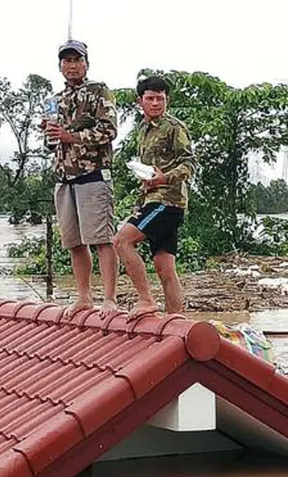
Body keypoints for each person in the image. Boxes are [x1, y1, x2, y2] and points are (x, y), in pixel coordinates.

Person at [44, 39, 119, 317]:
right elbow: (50, 143)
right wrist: (50, 133)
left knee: (102, 239)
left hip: (93, 174)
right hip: (64, 177)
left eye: (77, 60)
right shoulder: (55, 100)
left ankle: (109, 298)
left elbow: (109, 131)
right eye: (67, 61)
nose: (72, 65)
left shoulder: (99, 91)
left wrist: (71, 136)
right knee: (74, 242)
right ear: (60, 66)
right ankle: (84, 297)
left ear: (86, 63)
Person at [113, 76, 196, 319]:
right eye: (150, 98)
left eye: (160, 98)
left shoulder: (174, 127)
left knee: (122, 241)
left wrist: (164, 178)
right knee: (164, 266)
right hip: (152, 199)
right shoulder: (143, 130)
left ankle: (146, 300)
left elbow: (189, 164)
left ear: (167, 99)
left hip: (167, 201)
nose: (156, 103)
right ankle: (175, 320)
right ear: (140, 101)